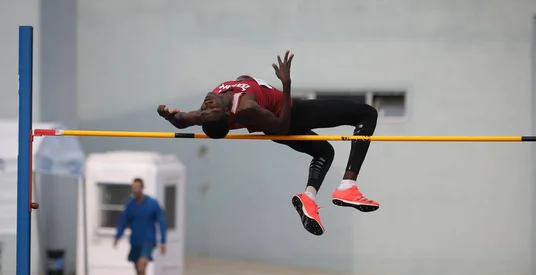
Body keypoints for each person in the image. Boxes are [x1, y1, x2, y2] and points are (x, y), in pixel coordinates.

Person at [157, 50, 379, 236]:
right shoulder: (246, 107)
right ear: (226, 111)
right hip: (293, 114)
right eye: (211, 108)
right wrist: (286, 83)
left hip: (277, 121)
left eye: (205, 109)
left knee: (324, 152)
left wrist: (169, 115)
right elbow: (282, 128)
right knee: (367, 114)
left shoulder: (206, 112)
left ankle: (308, 198)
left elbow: (182, 121)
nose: (206, 105)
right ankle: (347, 187)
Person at [114, 178, 167, 275]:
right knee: (138, 273)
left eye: (137, 187)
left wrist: (163, 241)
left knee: (141, 266)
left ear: (142, 188)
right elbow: (123, 221)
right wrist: (118, 236)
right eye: (133, 187)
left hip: (148, 241)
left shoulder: (152, 204)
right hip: (135, 241)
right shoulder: (131, 205)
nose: (135, 190)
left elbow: (161, 221)